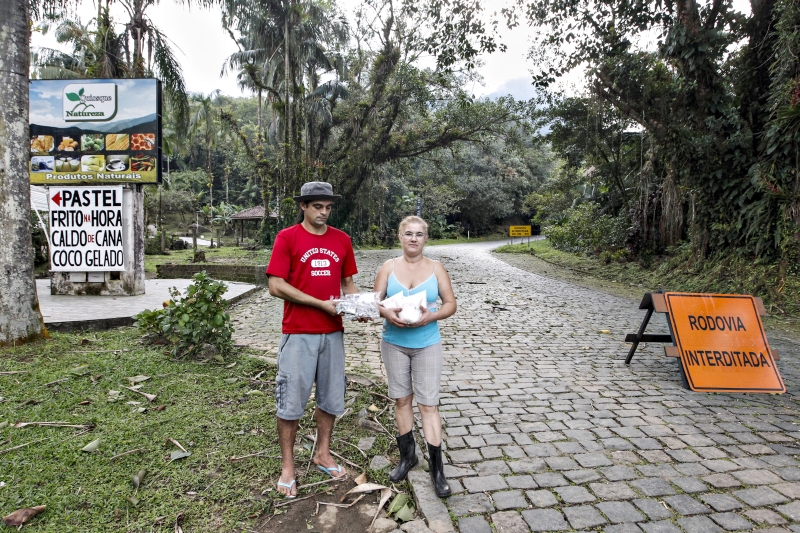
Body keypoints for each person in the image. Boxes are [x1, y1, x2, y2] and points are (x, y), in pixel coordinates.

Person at [266, 181, 361, 498]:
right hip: (299, 333)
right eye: (317, 206)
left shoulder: (341, 240)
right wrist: (319, 303)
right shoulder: (287, 238)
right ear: (303, 206)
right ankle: (288, 467)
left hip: (333, 333)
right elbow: (276, 285)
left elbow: (347, 283)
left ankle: (322, 453)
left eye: (328, 207)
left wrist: (360, 307)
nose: (324, 212)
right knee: (291, 401)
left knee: (332, 398)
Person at [374, 216, 457, 498]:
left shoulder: (437, 268)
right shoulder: (387, 267)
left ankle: (437, 470)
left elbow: (451, 304)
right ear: (399, 236)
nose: (413, 238)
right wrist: (385, 312)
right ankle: (407, 456)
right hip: (394, 343)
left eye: (419, 234)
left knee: (429, 405)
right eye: (408, 233)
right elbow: (375, 302)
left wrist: (431, 316)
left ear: (426, 238)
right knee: (401, 400)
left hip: (427, 343)